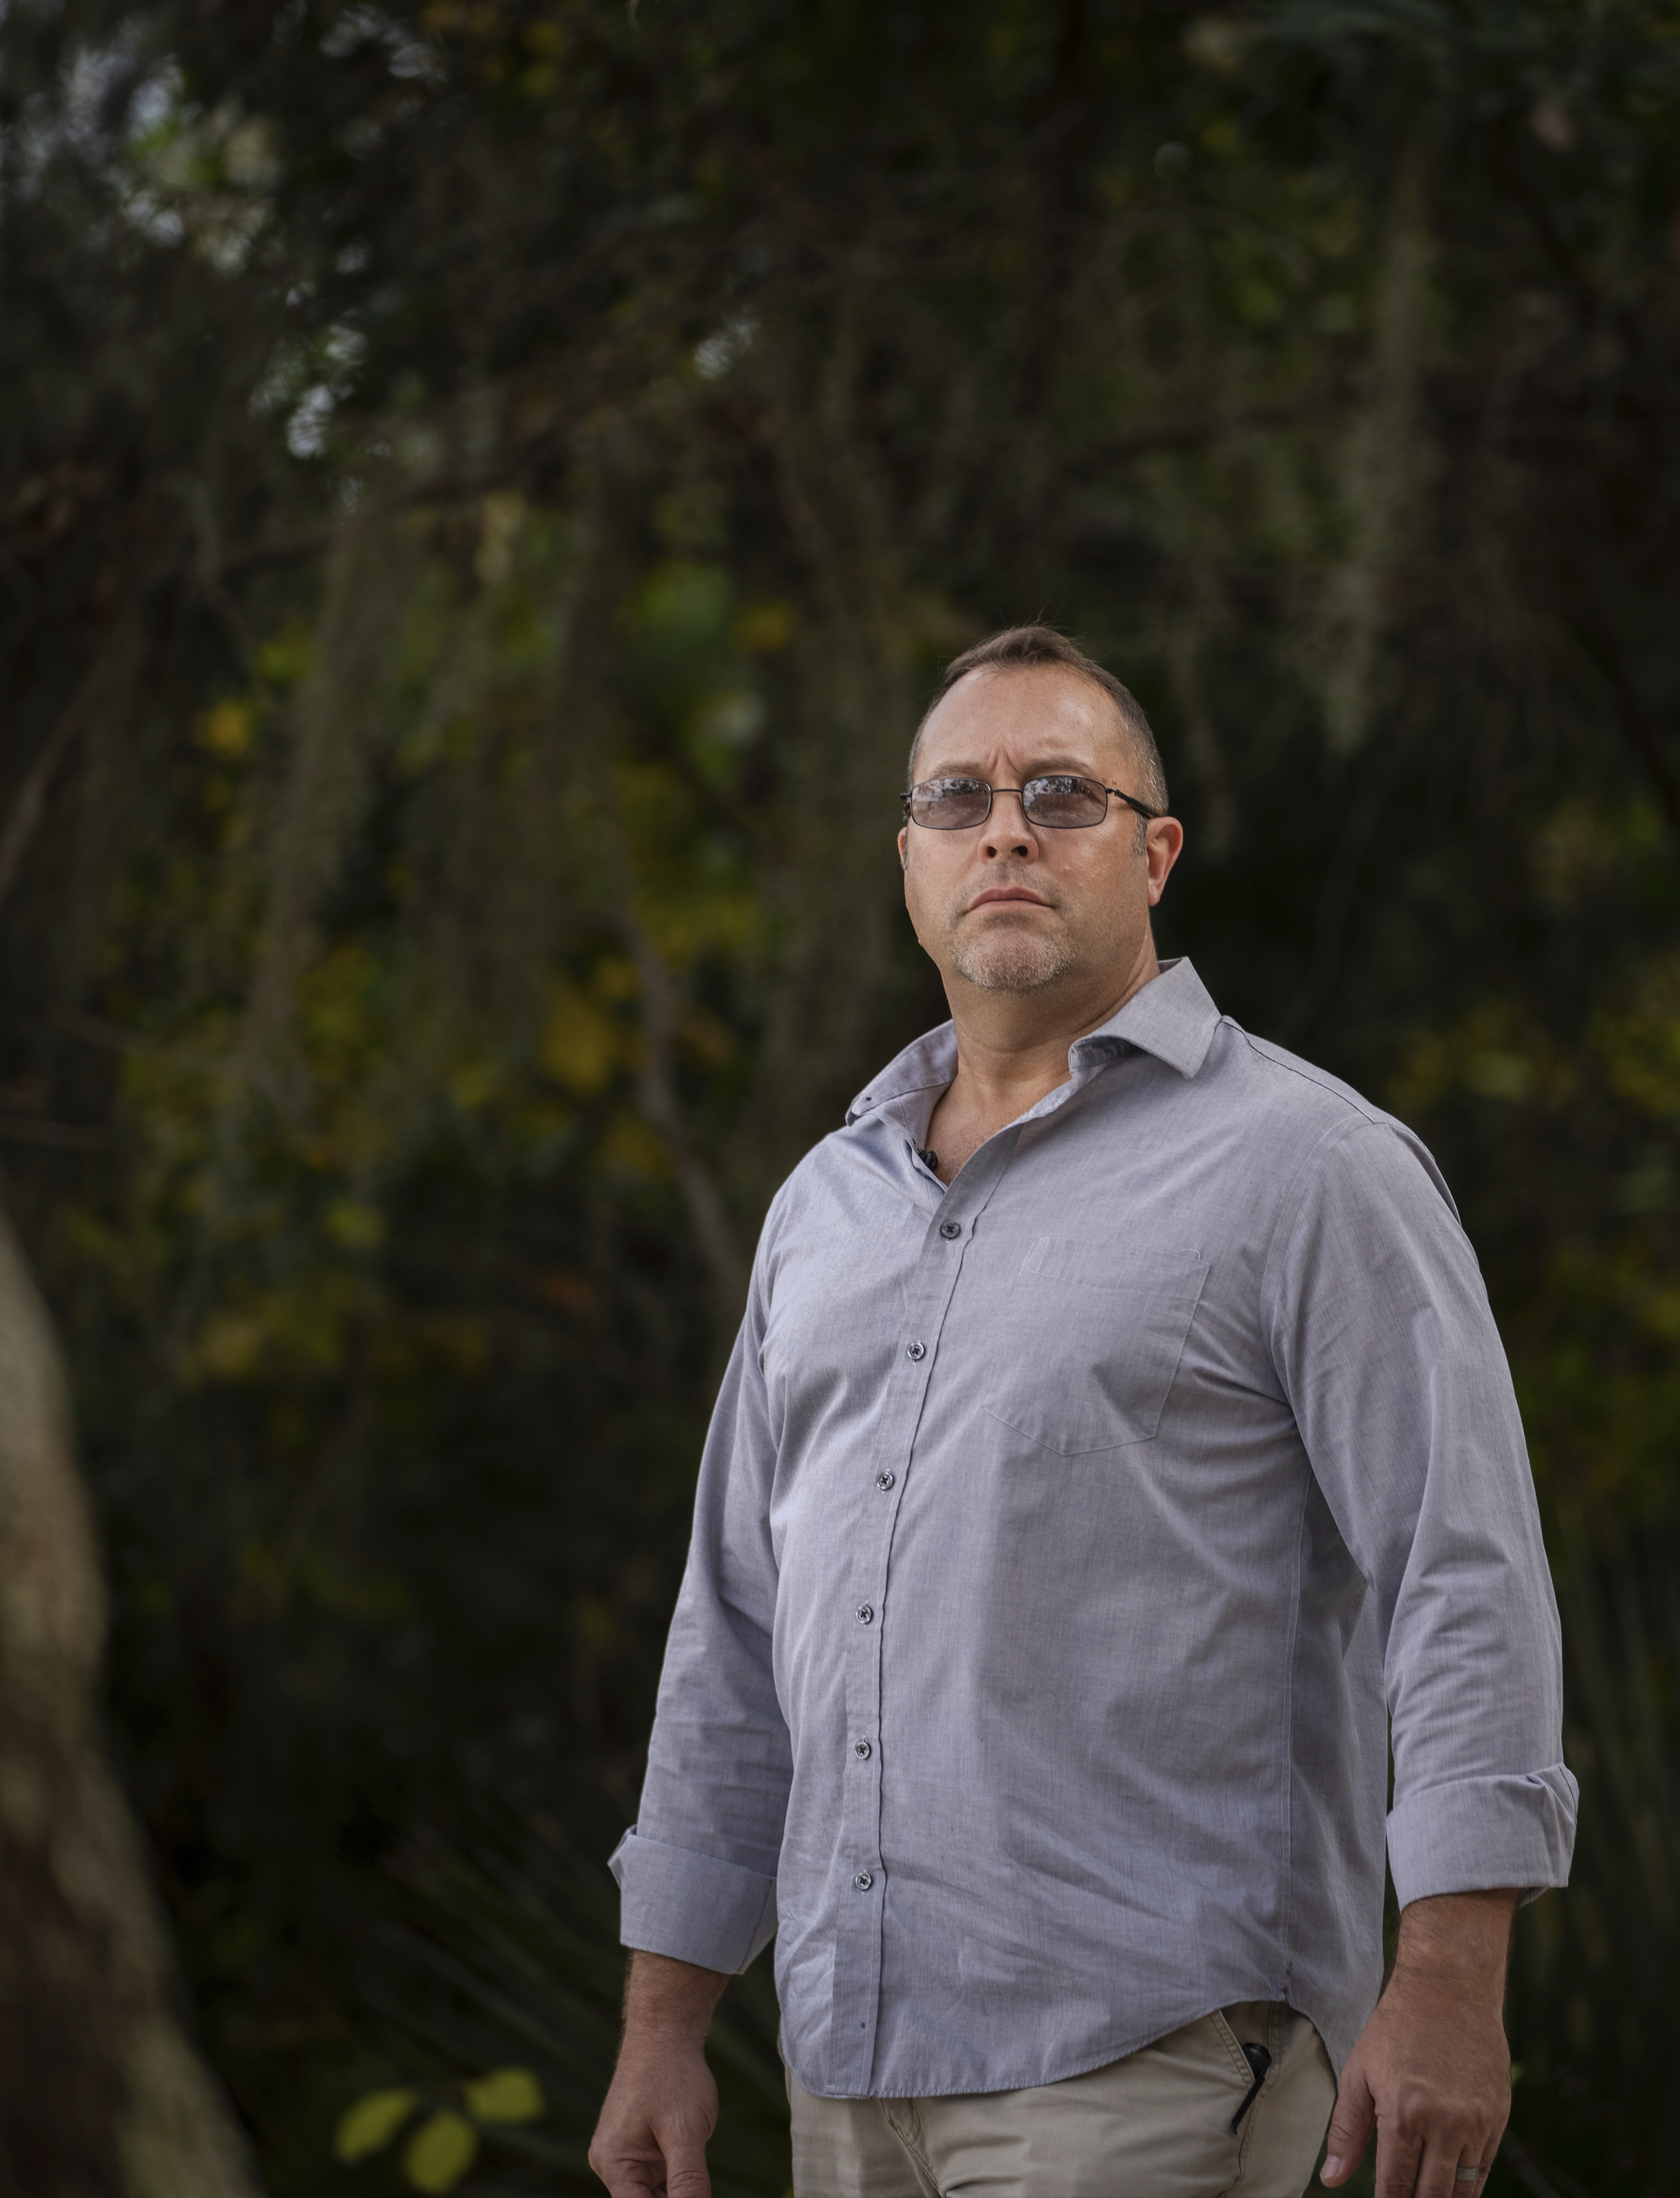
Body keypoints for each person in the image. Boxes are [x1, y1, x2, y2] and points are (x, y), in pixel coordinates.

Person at [590, 626, 1575, 2198]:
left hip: (1162, 2050)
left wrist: (1452, 1980)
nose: (1006, 831)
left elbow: (1463, 1577)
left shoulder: (1310, 1169)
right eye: (959, 798)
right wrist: (665, 2019)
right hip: (846, 2070)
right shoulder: (827, 1202)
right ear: (910, 857)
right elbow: (735, 1628)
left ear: (1155, 851)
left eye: (1062, 793)